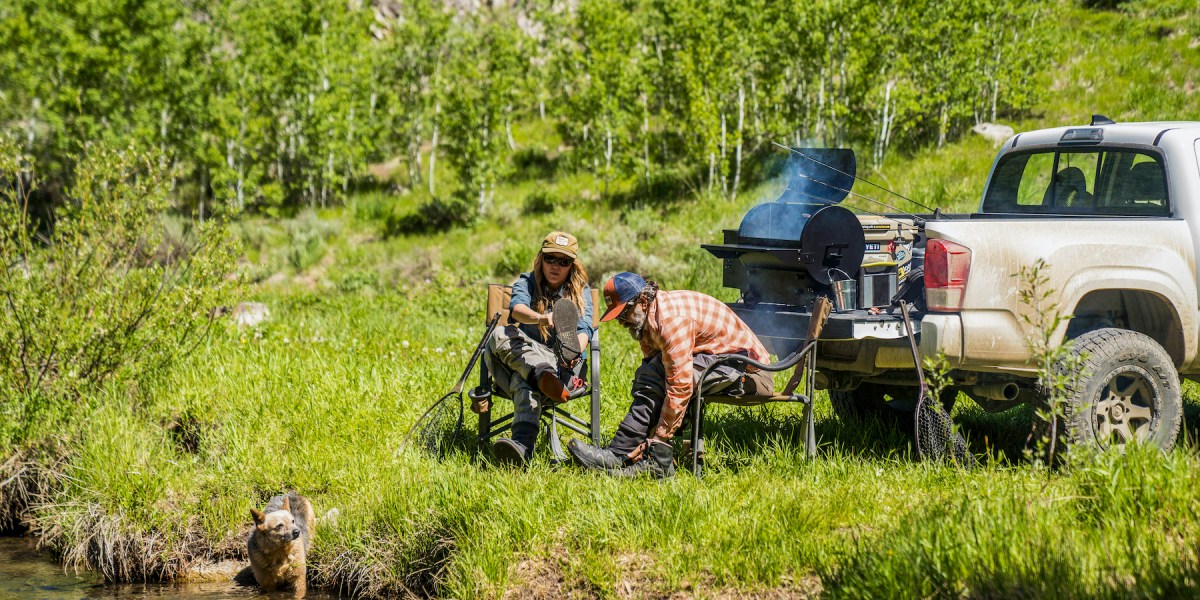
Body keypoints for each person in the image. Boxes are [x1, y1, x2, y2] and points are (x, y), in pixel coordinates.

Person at [568, 272, 773, 478]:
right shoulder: (647, 320)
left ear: (642, 301)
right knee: (651, 373)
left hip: (751, 372)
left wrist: (660, 438)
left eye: (623, 314)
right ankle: (620, 453)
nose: (621, 322)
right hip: (718, 359)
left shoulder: (671, 321)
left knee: (672, 378)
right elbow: (651, 379)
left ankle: (657, 460)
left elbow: (680, 387)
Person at [481, 231, 594, 467]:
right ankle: (541, 374)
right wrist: (542, 319)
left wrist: (573, 354)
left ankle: (522, 448)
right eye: (550, 258)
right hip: (529, 357)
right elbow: (517, 309)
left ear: (572, 265)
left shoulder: (581, 291)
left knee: (525, 381)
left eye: (563, 261)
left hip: (560, 367)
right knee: (500, 333)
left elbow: (585, 331)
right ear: (540, 259)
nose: (555, 266)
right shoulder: (527, 281)